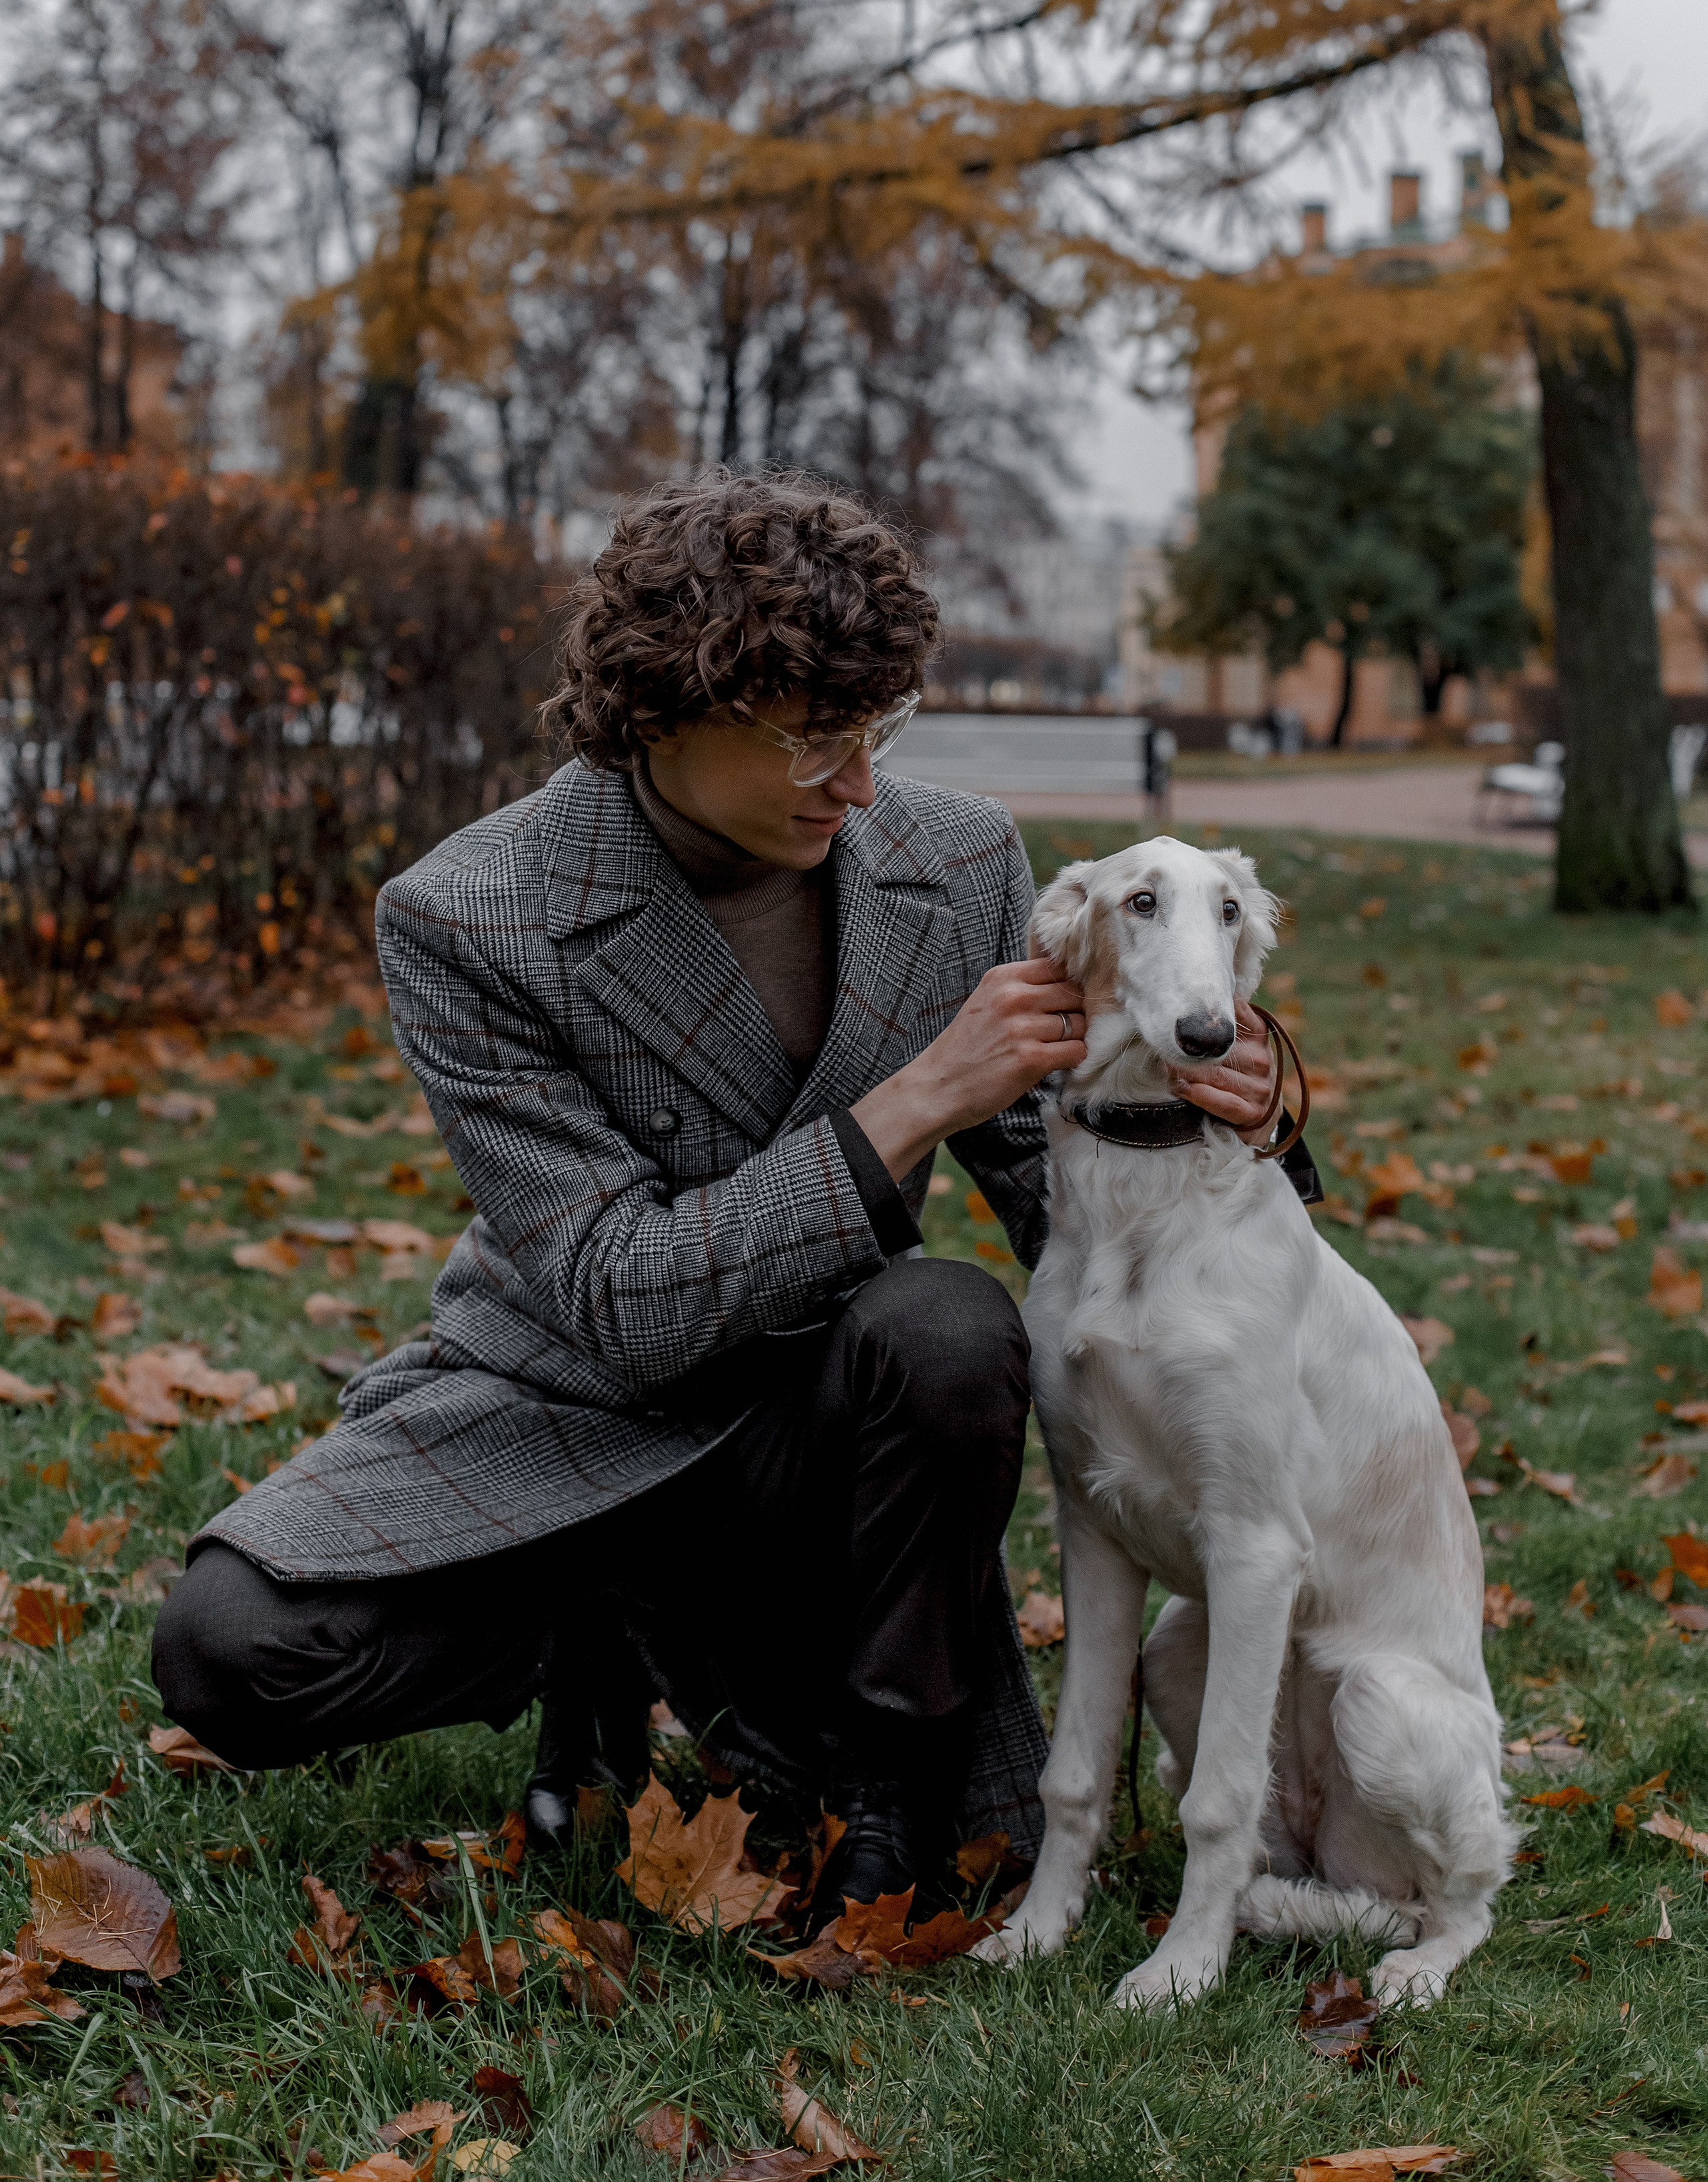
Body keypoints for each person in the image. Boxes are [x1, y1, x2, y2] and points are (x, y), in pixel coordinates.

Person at [153, 472, 1308, 1923]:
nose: (862, 786)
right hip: (558, 1402)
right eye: (815, 744)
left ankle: (887, 1780)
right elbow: (618, 1301)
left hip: (809, 1430)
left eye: (876, 732)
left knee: (948, 1324)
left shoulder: (953, 862)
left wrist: (1243, 1115)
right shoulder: (469, 912)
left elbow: (1051, 1186)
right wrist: (905, 1104)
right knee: (225, 1648)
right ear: (661, 712)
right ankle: (608, 1636)